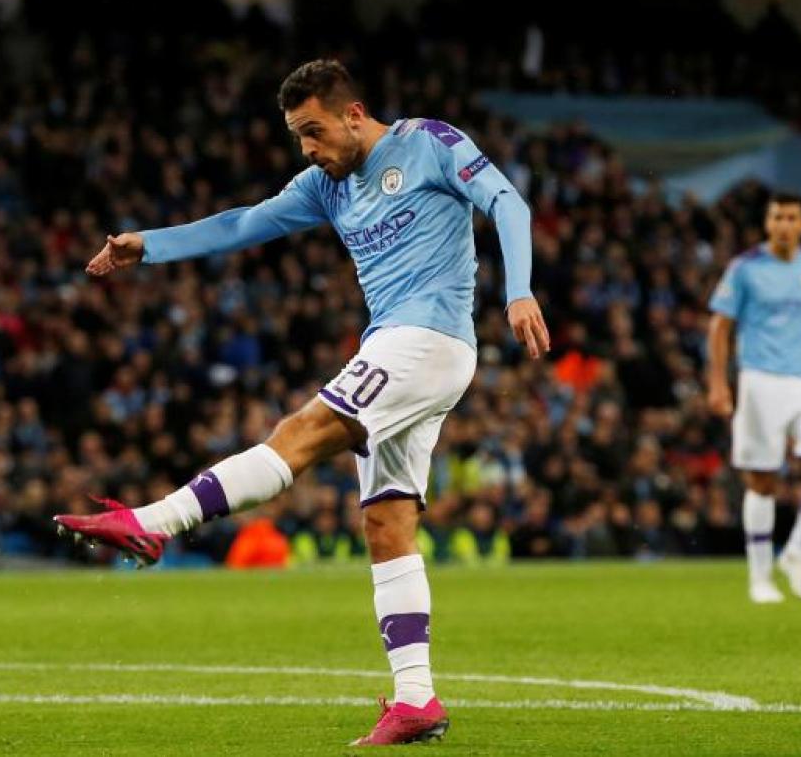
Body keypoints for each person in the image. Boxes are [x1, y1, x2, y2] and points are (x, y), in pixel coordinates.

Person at [54, 59, 549, 745]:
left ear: (353, 114)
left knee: (306, 427)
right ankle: (417, 700)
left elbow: (508, 204)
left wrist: (517, 289)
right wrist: (152, 244)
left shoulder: (430, 142)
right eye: (297, 137)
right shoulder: (326, 186)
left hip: (428, 337)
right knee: (386, 522)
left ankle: (156, 522)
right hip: (399, 345)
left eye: (314, 131)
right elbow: (242, 224)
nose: (308, 149)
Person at [706, 191, 801, 604]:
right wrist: (718, 383)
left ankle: (795, 553)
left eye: (792, 218)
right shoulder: (745, 268)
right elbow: (720, 327)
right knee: (763, 480)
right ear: (767, 223)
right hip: (760, 378)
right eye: (778, 218)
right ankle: (760, 577)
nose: (785, 225)